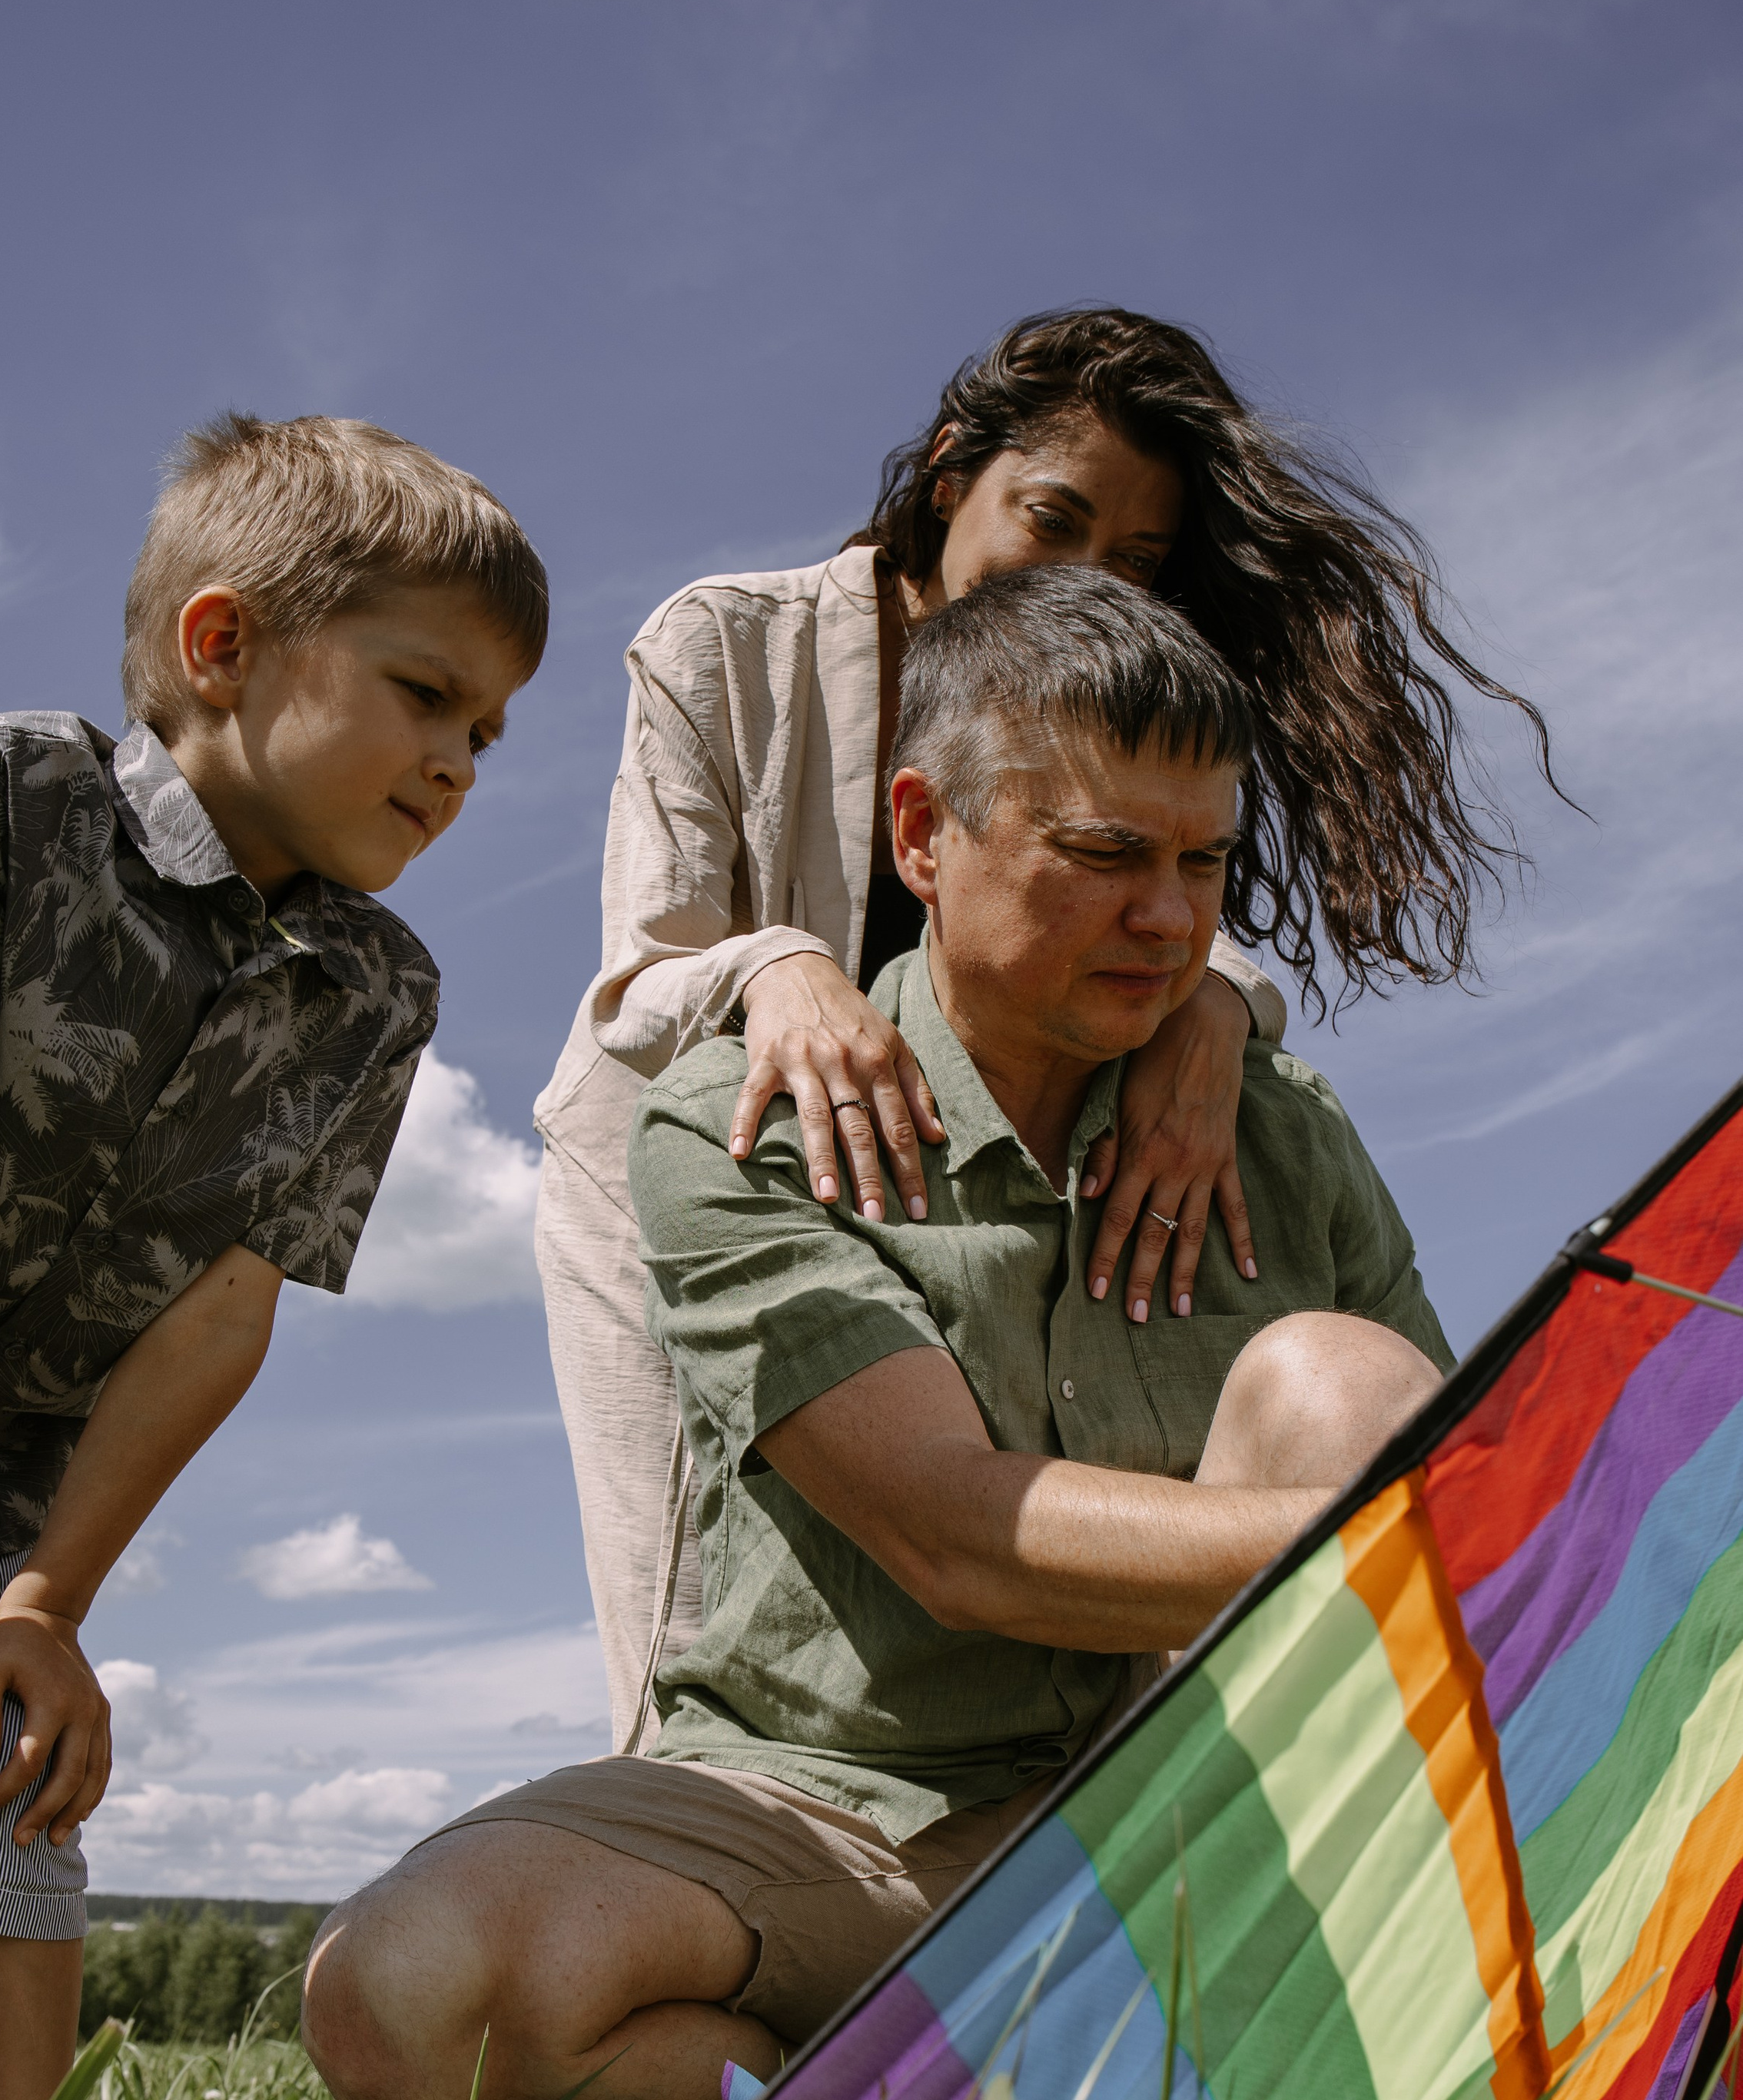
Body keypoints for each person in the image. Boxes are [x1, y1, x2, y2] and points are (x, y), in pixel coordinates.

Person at [306, 565, 1449, 2100]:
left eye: (1201, 862)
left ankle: (1202, 2051)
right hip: (834, 1816)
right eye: (1106, 855)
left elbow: (1469, 1490)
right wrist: (1418, 1537)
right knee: (403, 1997)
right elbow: (953, 1537)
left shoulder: (1278, 1126)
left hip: (1203, 1801)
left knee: (1333, 1377)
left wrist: (1465, 1514)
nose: (1173, 919)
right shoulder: (733, 1123)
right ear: (922, 834)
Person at [0, 413, 546, 2100]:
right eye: (423, 694)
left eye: (491, 731)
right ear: (222, 644)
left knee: (18, 1805)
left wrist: (41, 1606)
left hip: (22, 1437)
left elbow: (220, 1311)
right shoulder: (7, 799)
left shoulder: (376, 988)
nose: (459, 765)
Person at [533, 306, 1549, 1753]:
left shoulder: (1116, 718)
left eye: (1134, 562)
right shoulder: (725, 640)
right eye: (1051, 518)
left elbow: (1146, 893)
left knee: (1057, 1603)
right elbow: (643, 969)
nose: (1087, 577)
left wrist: (1216, 1007)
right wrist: (784, 973)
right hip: (714, 1162)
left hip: (979, 1178)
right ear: (951, 475)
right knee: (698, 1626)